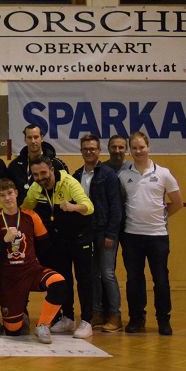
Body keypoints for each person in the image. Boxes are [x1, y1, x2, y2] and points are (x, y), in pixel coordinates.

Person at [0, 178, 69, 344]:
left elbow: (45, 244)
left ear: (16, 193)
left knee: (59, 282)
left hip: (30, 270)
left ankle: (43, 325)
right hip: (8, 276)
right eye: (2, 195)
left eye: (10, 193)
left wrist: (36, 262)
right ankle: (19, 312)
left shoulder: (31, 215)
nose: (7, 198)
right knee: (13, 332)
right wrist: (5, 241)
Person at [23, 156, 95, 339]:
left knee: (84, 279)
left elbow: (89, 207)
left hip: (80, 238)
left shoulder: (69, 182)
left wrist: (72, 207)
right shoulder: (35, 188)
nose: (40, 178)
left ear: (51, 169)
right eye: (36, 175)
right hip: (59, 240)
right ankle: (67, 317)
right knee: (64, 279)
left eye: (43, 173)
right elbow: (25, 210)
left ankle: (87, 321)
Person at [118, 132, 183, 335]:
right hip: (131, 236)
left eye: (141, 147)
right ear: (130, 150)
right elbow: (121, 203)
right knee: (134, 279)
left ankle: (164, 320)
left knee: (161, 279)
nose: (138, 151)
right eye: (134, 148)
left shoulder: (163, 173)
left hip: (158, 237)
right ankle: (137, 319)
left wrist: (160, 217)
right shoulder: (123, 175)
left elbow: (178, 203)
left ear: (148, 147)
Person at [72, 134, 124, 333]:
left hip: (105, 232)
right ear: (81, 151)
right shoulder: (77, 175)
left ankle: (115, 315)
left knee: (107, 273)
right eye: (85, 149)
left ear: (99, 151)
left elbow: (116, 206)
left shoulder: (108, 174)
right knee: (92, 274)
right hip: (86, 232)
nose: (89, 152)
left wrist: (111, 233)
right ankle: (97, 313)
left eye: (92, 149)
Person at [6, 124, 66, 200]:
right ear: (25, 140)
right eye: (29, 137)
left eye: (36, 137)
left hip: (49, 206)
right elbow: (8, 189)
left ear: (42, 138)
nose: (33, 141)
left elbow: (66, 189)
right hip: (24, 206)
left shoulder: (56, 164)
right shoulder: (14, 165)